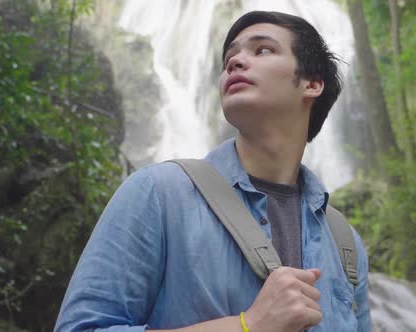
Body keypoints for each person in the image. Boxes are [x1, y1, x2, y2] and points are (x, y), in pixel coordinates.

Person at [55, 11, 371, 332]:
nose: (235, 62)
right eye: (229, 57)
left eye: (262, 50)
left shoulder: (345, 243)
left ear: (312, 84)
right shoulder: (158, 193)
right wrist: (249, 326)